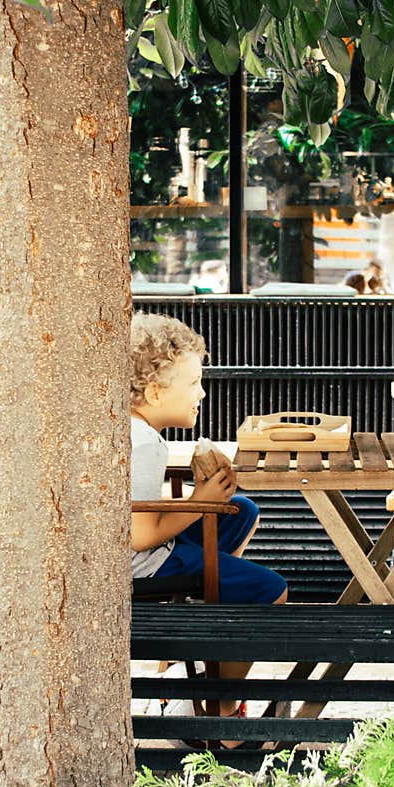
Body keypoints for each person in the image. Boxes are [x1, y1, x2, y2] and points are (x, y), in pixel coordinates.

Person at [130, 312, 289, 747]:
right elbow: (139, 535)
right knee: (269, 591)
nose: (201, 391)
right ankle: (223, 715)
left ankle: (207, 635)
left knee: (240, 509)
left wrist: (209, 499)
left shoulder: (139, 431)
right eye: (194, 382)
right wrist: (202, 500)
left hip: (140, 552)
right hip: (142, 567)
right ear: (154, 391)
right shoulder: (142, 445)